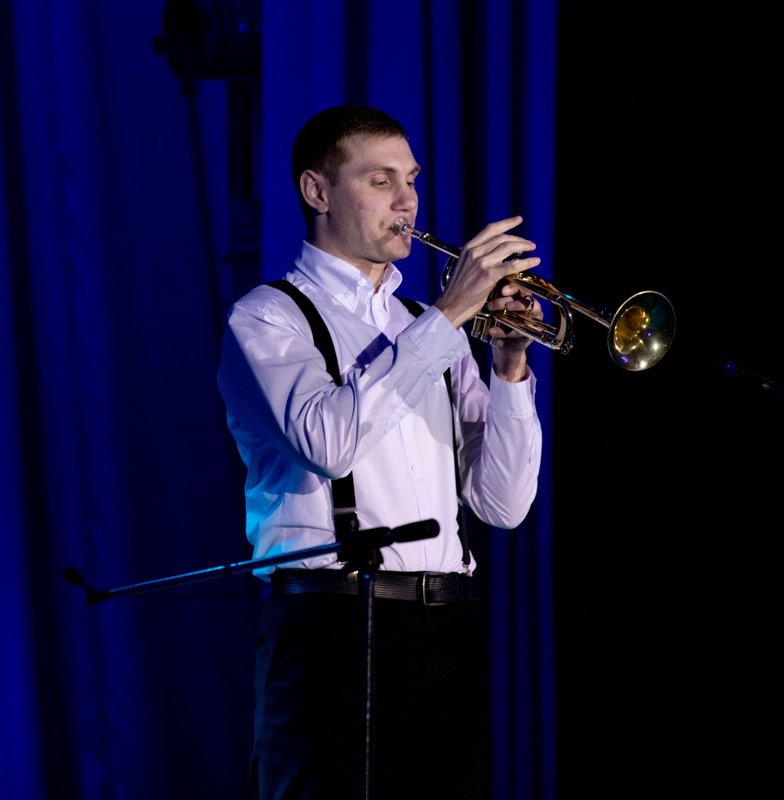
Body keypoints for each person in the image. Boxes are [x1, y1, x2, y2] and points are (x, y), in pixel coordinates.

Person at [217, 105, 543, 799]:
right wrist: (449, 318)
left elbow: (503, 504)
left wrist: (510, 367)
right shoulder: (268, 316)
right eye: (380, 180)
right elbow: (328, 443)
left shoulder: (425, 325)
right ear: (317, 191)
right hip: (330, 623)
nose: (407, 202)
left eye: (412, 180)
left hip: (447, 623)